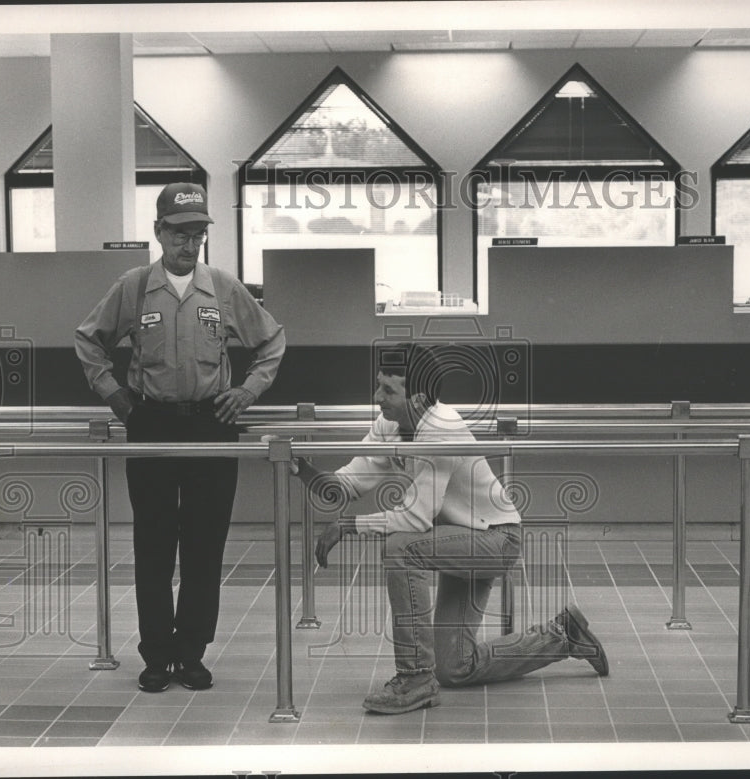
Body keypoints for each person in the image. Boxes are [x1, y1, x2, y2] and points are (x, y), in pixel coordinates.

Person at [291, 343, 608, 715]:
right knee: (456, 667)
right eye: (378, 386)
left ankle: (414, 678)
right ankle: (564, 636)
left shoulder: (441, 428)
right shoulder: (390, 425)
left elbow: (415, 519)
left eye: (389, 390)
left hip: (495, 540)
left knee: (400, 547)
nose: (378, 398)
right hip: (458, 538)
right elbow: (346, 485)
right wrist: (299, 467)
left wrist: (350, 525)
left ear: (420, 397)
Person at [75, 183, 286, 693]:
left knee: (203, 545)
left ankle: (191, 653)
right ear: (158, 232)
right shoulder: (133, 286)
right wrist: (116, 398)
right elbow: (89, 338)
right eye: (179, 233)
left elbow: (272, 340)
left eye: (197, 235)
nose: (188, 245)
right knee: (153, 543)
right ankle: (156, 655)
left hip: (210, 423)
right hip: (150, 423)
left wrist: (247, 392)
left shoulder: (223, 288)